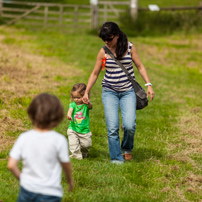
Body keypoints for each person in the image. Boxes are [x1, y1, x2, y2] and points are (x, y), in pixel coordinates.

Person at [82, 22, 155, 164]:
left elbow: (140, 66)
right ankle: (116, 157)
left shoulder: (130, 47)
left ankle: (126, 149)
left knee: (129, 125)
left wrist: (149, 84)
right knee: (113, 127)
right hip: (109, 92)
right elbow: (95, 73)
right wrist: (86, 92)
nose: (106, 42)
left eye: (109, 39)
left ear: (117, 35)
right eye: (104, 39)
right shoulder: (103, 51)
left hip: (128, 91)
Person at [7, 93, 74, 202]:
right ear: (57, 116)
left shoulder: (24, 137)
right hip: (50, 193)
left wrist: (22, 179)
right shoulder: (59, 140)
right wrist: (69, 181)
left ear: (31, 113)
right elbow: (66, 164)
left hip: (26, 191)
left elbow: (11, 165)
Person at [67, 83, 93, 160]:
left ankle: (83, 153)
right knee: (73, 144)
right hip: (73, 129)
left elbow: (90, 106)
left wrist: (88, 102)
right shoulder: (73, 104)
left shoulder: (86, 105)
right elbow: (70, 110)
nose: (76, 99)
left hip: (84, 130)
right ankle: (76, 156)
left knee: (86, 145)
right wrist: (69, 115)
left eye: (78, 97)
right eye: (74, 97)